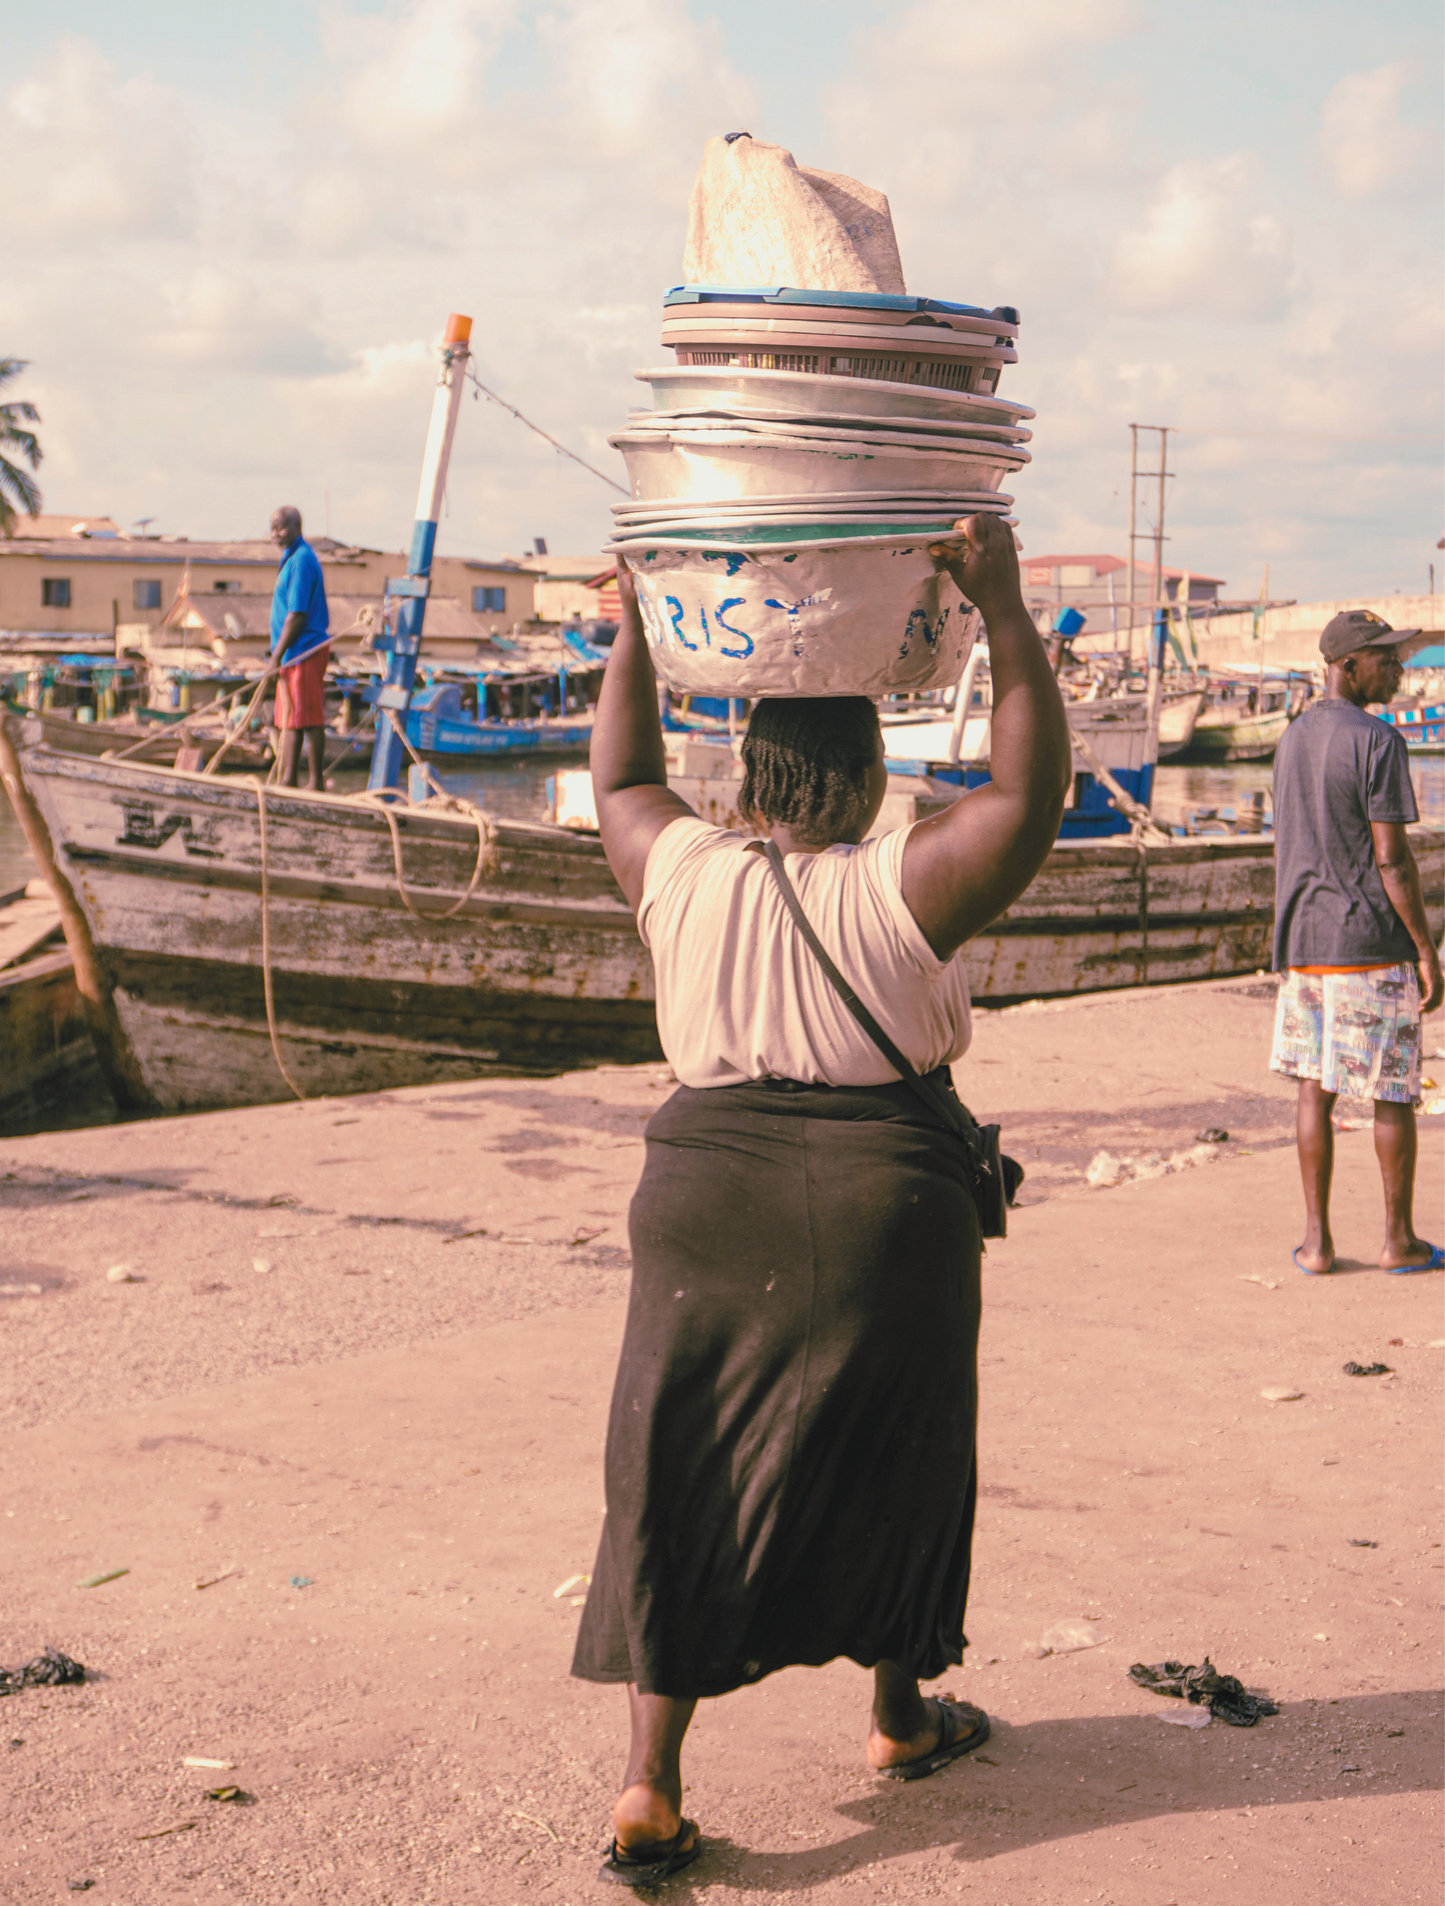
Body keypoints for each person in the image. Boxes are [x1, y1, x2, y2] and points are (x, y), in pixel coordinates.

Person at [574, 514, 1070, 1885]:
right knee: (899, 1450)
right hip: (882, 1200)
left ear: (749, 776)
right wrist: (1007, 612)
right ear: (868, 774)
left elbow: (621, 774)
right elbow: (1029, 797)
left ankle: (647, 1784)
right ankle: (901, 1718)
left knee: (676, 1468)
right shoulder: (902, 881)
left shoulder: (681, 869)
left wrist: (632, 625)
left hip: (699, 1198)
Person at [1270, 608, 1444, 1275]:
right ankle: (1396, 1240)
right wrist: (1426, 950)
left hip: (1302, 943)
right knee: (1390, 1092)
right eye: (1385, 656)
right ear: (1347, 665)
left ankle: (1316, 1244)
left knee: (1314, 1088)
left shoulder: (1289, 739)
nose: (1397, 667)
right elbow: (1390, 860)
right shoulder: (1377, 741)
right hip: (1368, 941)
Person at [266, 506, 330, 790]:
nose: (274, 534)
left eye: (280, 527)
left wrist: (274, 657)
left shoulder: (302, 559)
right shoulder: (290, 558)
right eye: (272, 528)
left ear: (296, 527)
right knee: (289, 718)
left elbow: (297, 614)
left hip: (304, 649)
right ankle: (288, 780)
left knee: (307, 716)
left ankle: (313, 783)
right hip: (292, 654)